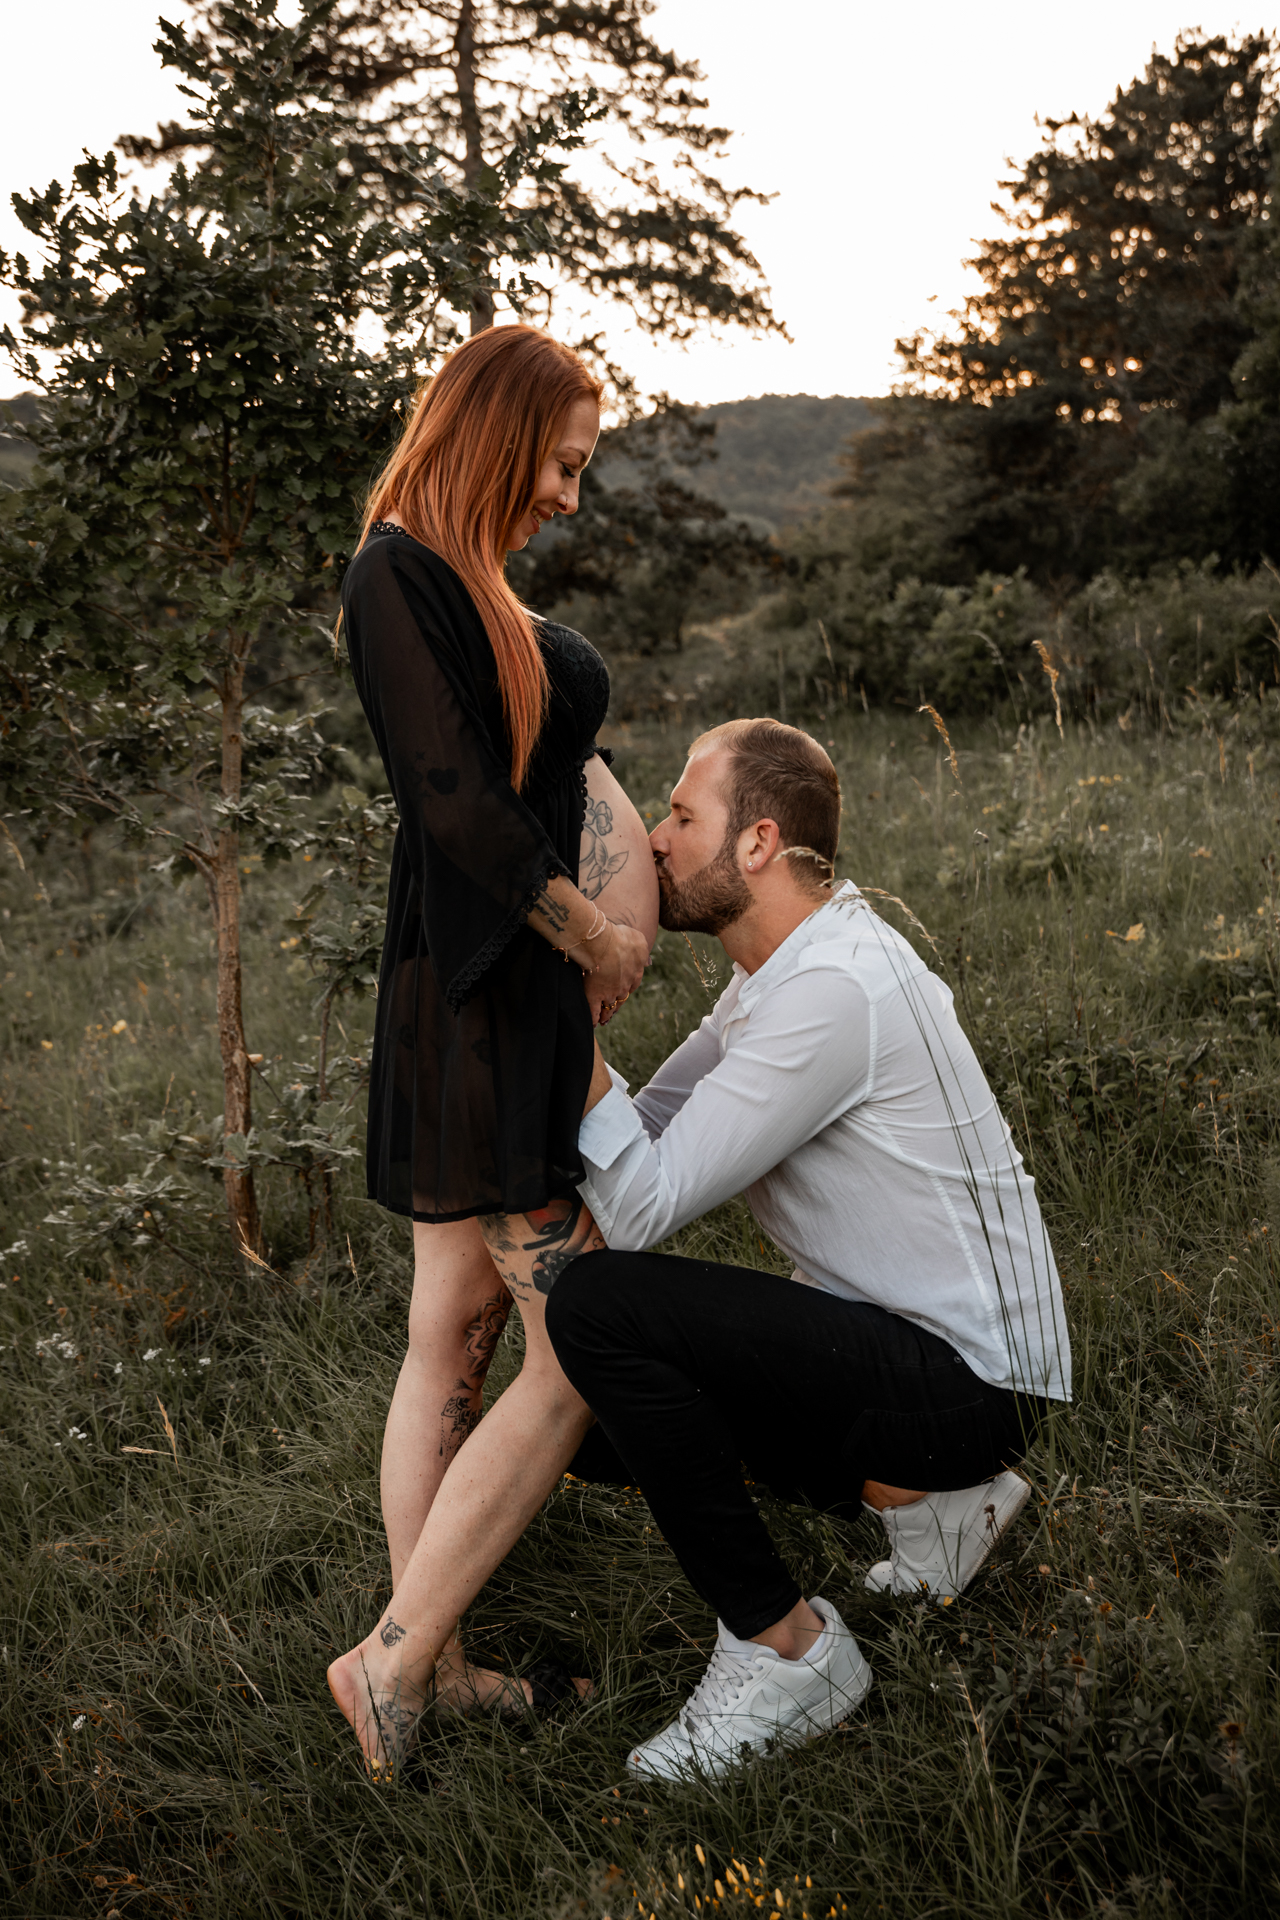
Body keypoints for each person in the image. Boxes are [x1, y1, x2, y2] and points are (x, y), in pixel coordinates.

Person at [544, 718, 1072, 1783]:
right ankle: (935, 1507)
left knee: (600, 1312)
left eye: (683, 815)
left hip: (970, 1382)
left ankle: (785, 1649)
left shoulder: (831, 990)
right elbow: (643, 1132)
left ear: (757, 842)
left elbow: (639, 1209)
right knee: (588, 1421)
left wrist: (554, 1015)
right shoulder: (772, 975)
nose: (653, 838)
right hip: (925, 1355)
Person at [325, 325, 658, 1773]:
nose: (573, 497)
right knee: (580, 1341)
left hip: (490, 1010)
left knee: (451, 1332)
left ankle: (435, 1658)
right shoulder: (392, 573)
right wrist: (600, 940)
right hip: (474, 1011)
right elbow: (461, 811)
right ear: (500, 429)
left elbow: (544, 772)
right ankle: (395, 1660)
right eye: (565, 463)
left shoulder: (461, 584)